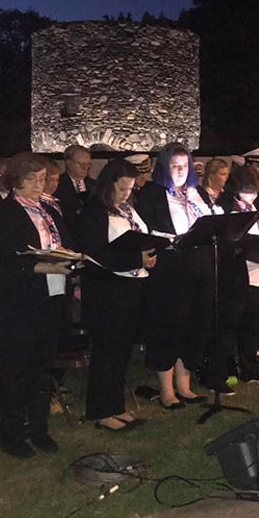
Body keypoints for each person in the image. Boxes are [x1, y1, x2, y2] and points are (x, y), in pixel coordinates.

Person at [0, 152, 75, 457]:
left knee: (42, 367)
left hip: (51, 296)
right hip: (19, 303)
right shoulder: (5, 213)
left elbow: (62, 242)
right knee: (16, 370)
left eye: (43, 178)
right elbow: (3, 260)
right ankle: (13, 434)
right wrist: (43, 267)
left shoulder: (48, 208)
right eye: (33, 179)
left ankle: (39, 429)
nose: (40, 184)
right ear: (17, 180)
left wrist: (69, 258)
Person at [76, 159, 156, 431]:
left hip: (130, 287)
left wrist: (150, 251)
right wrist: (136, 257)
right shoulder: (94, 211)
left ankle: (117, 405)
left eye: (130, 189)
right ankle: (101, 411)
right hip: (106, 291)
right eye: (122, 189)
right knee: (106, 352)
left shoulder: (126, 209)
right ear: (108, 184)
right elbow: (94, 253)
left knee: (122, 351)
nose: (126, 194)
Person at [135, 142, 214, 407]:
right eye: (175, 166)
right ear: (164, 167)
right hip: (170, 269)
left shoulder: (197, 191)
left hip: (199, 266)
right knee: (169, 326)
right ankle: (167, 391)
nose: (181, 171)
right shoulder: (152, 193)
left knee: (194, 324)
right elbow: (145, 228)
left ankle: (185, 385)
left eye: (185, 166)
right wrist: (169, 239)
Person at [223, 166, 259, 385]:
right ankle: (227, 368)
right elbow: (235, 241)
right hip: (239, 277)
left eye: (255, 192)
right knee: (231, 326)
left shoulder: (256, 210)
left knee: (252, 325)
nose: (253, 197)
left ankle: (250, 368)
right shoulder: (230, 210)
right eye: (248, 191)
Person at [55, 144, 94, 231]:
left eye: (88, 165)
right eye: (81, 164)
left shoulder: (94, 185)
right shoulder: (56, 184)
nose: (85, 168)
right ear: (68, 163)